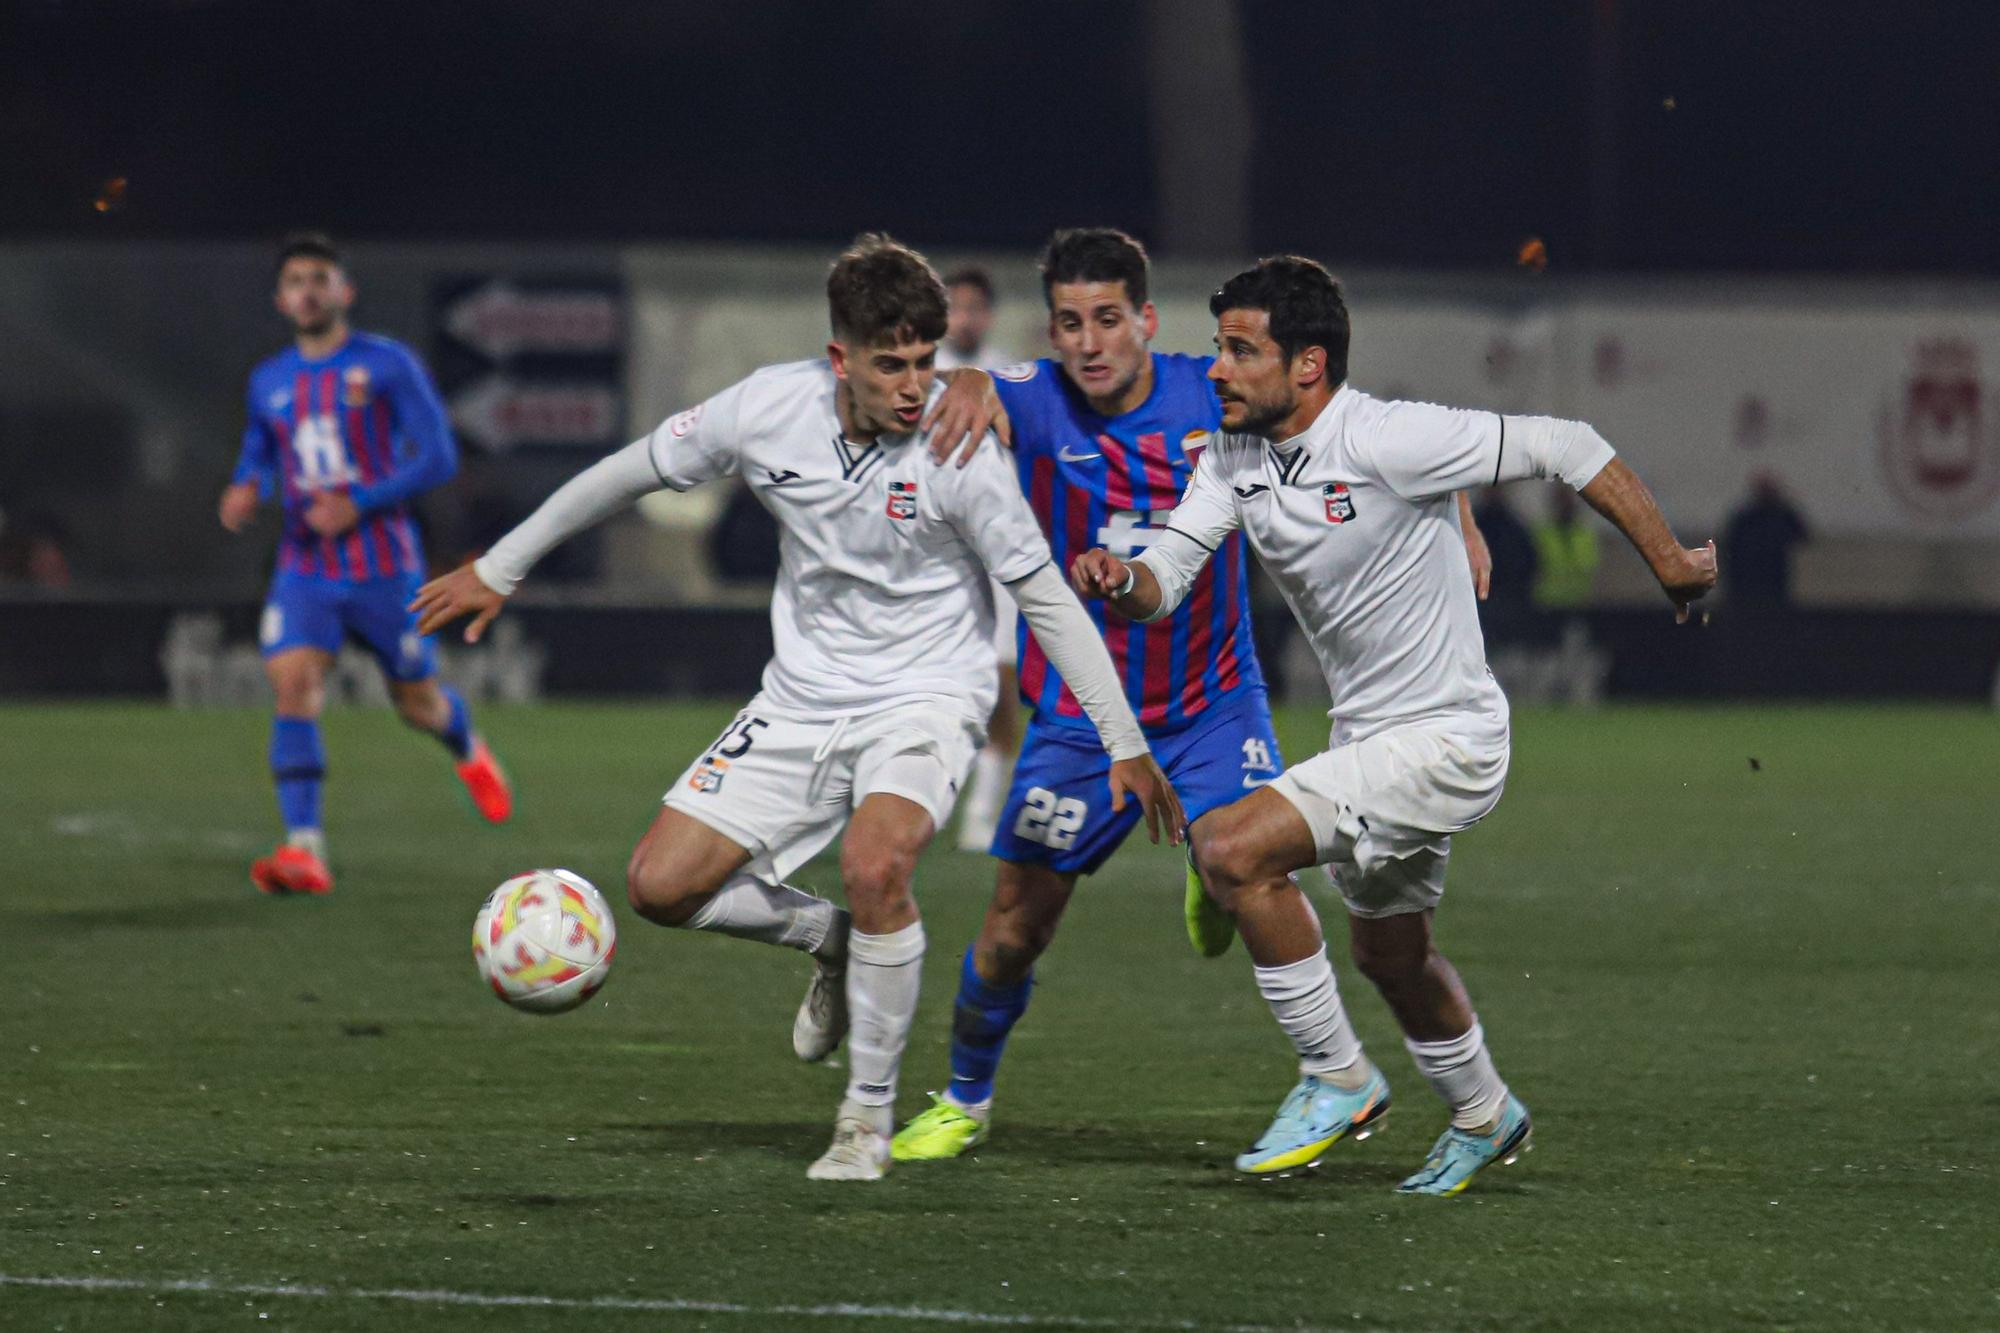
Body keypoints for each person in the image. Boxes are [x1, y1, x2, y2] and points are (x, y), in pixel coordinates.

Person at [411, 235, 1182, 1182]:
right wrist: (501, 565)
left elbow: (1047, 600)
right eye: (889, 364)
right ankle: (832, 941)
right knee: (660, 886)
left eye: (925, 363)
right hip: (802, 697)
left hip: (928, 696)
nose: (913, 387)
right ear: (839, 360)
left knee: (876, 860)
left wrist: (1123, 741)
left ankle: (864, 1117)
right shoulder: (766, 410)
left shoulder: (959, 452)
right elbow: (628, 472)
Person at [1071, 255, 1715, 1195]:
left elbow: (1569, 441)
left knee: (1230, 849)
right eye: (1218, 348)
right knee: (1391, 954)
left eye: (1240, 350)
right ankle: (1486, 1112)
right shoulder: (1233, 458)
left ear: (1308, 365)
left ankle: (1338, 1077)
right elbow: (1163, 579)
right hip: (1368, 741)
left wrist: (1670, 563)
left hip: (1449, 737)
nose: (1215, 369)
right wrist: (1115, 577)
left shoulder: (1385, 436)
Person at [892, 229, 1492, 1164]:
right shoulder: (1029, 399)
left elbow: (1363, 431)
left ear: (1146, 320)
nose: (1089, 343)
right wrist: (967, 380)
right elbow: (952, 393)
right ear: (1047, 331)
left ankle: (1331, 1072)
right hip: (1083, 721)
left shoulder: (1212, 388)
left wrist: (1455, 510)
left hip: (1213, 701)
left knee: (1251, 861)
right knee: (1012, 930)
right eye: (1067, 324)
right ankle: (965, 1096)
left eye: (1107, 319)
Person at [219, 233, 512, 897]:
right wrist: (244, 484)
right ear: (280, 297)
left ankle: (468, 746)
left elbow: (438, 456)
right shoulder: (269, 379)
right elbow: (260, 448)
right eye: (296, 279)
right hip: (304, 566)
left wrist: (360, 501)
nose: (309, 289)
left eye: (320, 277)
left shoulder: (386, 364)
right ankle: (304, 849)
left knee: (416, 702)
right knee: (294, 685)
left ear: (344, 291)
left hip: (383, 564)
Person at [936, 264, 1023, 850]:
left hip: (996, 552)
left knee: (1003, 681)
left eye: (974, 307)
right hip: (935, 553)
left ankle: (979, 816)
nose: (965, 317)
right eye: (955, 306)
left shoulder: (1011, 378)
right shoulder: (919, 375)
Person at [1721, 472, 1810, 608]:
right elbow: (1730, 546)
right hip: (1748, 582)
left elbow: (1803, 537)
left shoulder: (1784, 516)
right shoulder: (1746, 519)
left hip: (1775, 579)